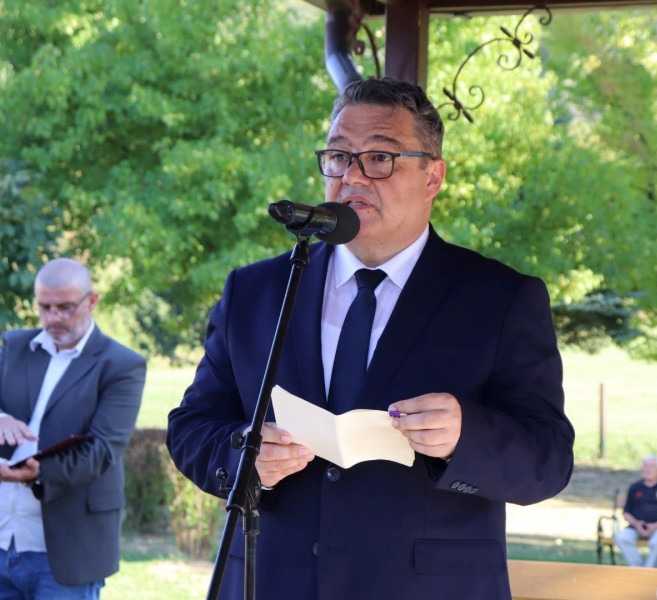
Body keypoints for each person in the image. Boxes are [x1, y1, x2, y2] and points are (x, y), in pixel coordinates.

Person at [166, 77, 575, 600]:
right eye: (339, 156)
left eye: (380, 157)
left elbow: (549, 460)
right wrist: (244, 455)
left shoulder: (500, 298)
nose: (352, 176)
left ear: (433, 176)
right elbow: (192, 427)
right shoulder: (256, 291)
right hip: (270, 582)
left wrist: (464, 437)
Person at [0, 258, 146, 598]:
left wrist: (37, 473)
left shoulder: (121, 364)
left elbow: (103, 449)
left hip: (69, 549)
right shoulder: (14, 346)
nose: (53, 318)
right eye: (45, 307)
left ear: (91, 301)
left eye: (65, 308)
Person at [614, 454, 657, 567]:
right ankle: (638, 568)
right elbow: (626, 513)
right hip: (636, 527)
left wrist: (655, 526)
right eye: (645, 466)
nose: (647, 469)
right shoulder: (635, 487)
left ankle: (649, 570)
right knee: (622, 537)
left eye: (651, 466)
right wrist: (636, 524)